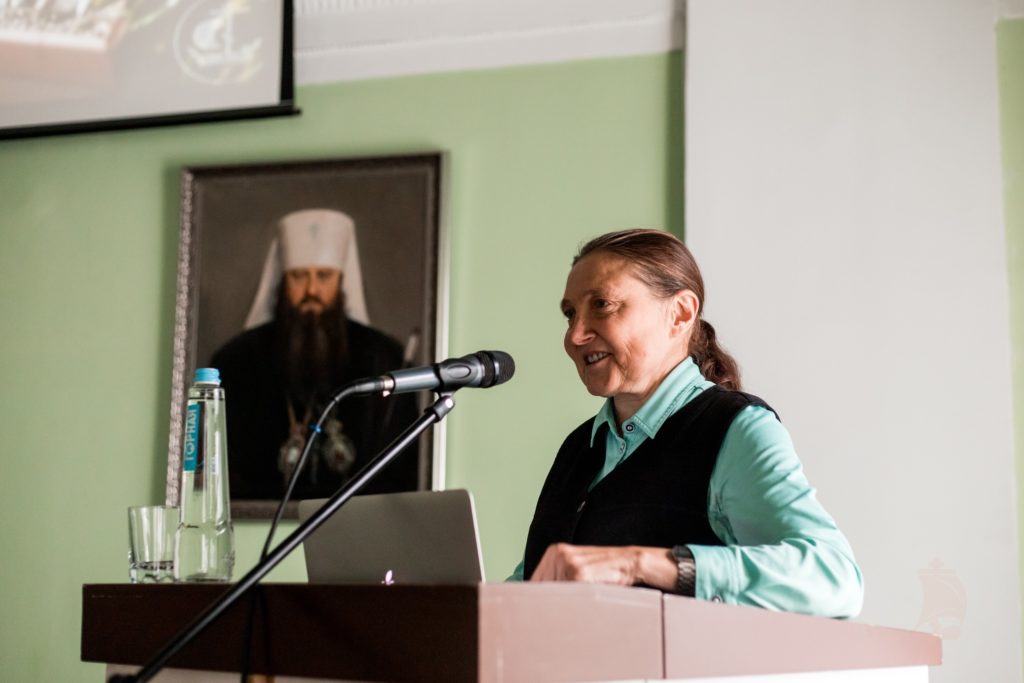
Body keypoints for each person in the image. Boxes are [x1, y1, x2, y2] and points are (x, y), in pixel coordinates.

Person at [510, 229, 863, 618]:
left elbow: (835, 580)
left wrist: (639, 564)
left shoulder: (736, 429)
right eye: (570, 314)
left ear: (679, 314)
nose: (575, 335)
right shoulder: (578, 448)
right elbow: (534, 584)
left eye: (602, 305)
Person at [210, 208, 419, 501]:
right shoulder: (237, 361)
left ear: (341, 280)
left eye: (323, 276)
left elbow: (402, 474)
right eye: (299, 276)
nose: (312, 290)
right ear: (283, 281)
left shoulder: (383, 358)